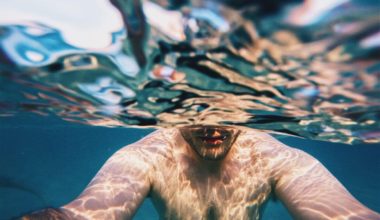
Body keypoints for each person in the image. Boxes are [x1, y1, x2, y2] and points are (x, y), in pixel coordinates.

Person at [20, 125, 379, 219]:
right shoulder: (149, 154)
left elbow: (342, 213)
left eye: (225, 114)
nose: (213, 127)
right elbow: (83, 214)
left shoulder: (271, 155)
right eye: (198, 113)